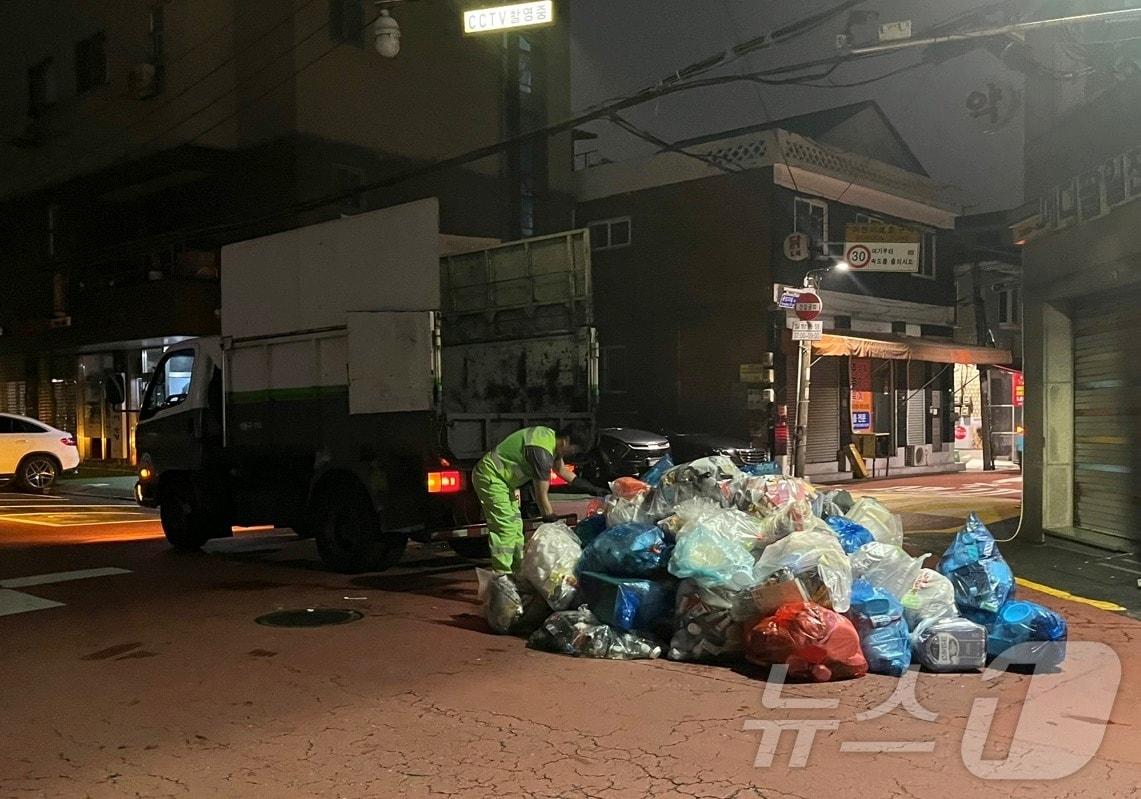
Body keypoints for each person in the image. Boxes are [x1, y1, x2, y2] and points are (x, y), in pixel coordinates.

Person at [473, 422, 607, 574]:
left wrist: (593, 489)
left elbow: (563, 471)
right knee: (505, 529)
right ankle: (501, 577)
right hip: (491, 478)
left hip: (503, 482)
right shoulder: (541, 453)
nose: (572, 454)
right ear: (567, 441)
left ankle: (517, 573)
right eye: (575, 450)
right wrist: (550, 519)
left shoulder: (550, 438)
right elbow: (541, 496)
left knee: (517, 528)